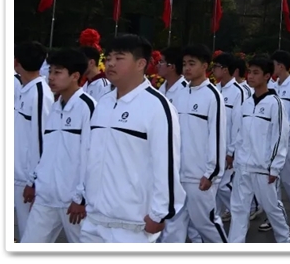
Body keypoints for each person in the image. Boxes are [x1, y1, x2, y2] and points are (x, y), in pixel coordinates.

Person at [80, 34, 185, 243]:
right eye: (108, 58)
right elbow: (89, 155)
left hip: (132, 226)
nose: (110, 63)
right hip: (94, 220)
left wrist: (159, 213)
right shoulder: (103, 103)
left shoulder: (157, 107)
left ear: (141, 64)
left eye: (119, 58)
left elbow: (166, 164)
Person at [21, 49, 95, 243]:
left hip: (73, 201)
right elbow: (47, 151)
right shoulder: (55, 107)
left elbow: (92, 155)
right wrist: (33, 181)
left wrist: (81, 197)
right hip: (46, 197)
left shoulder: (88, 107)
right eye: (50, 71)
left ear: (75, 76)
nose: (51, 77)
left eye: (58, 72)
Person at [159, 45, 227, 243]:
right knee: (173, 225)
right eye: (184, 64)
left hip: (199, 176)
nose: (187, 68)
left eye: (192, 63)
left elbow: (217, 136)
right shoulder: (179, 94)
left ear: (205, 66)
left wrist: (211, 173)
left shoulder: (212, 96)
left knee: (206, 224)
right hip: (177, 174)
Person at [227, 56, 290, 243]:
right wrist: (234, 154)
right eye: (249, 72)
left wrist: (274, 167)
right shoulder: (246, 103)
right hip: (243, 167)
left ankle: (285, 240)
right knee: (238, 209)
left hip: (263, 168)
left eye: (256, 73)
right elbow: (239, 133)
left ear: (267, 76)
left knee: (272, 208)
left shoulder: (275, 103)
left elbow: (280, 136)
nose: (251, 76)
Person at [14, 41, 55, 240]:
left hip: (26, 180)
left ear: (16, 62)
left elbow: (42, 139)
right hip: (15, 173)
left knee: (28, 234)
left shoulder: (39, 93)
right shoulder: (25, 89)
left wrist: (34, 181)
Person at [268, 50, 290, 228]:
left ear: (280, 66)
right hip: (273, 141)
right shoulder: (273, 85)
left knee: (289, 181)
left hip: (288, 141)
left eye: (273, 65)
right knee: (273, 179)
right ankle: (275, 215)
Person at [213, 52, 248, 224]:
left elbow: (238, 124)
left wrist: (231, 150)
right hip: (214, 146)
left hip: (229, 147)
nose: (213, 70)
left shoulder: (238, 92)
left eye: (216, 67)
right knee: (215, 186)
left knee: (223, 185)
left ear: (225, 69)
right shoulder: (215, 89)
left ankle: (241, 214)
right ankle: (216, 217)